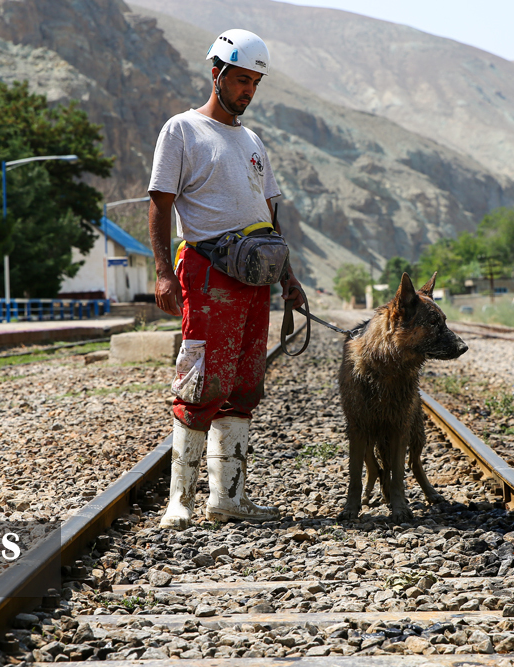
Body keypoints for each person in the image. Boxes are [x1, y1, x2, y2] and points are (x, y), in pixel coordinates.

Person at [148, 28, 306, 530]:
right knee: (199, 382)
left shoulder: (253, 140)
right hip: (207, 271)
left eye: (255, 83)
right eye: (241, 80)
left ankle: (227, 498)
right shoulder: (182, 131)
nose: (248, 91)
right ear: (215, 73)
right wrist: (162, 274)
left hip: (255, 276)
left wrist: (289, 278)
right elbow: (160, 205)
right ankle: (180, 501)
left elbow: (269, 218)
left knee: (243, 384)